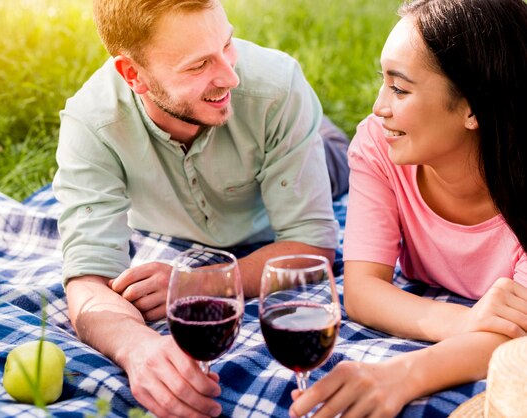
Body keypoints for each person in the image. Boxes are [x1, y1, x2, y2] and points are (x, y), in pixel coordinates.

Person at [52, 0, 349, 416]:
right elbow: (87, 282)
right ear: (133, 75)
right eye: (198, 66)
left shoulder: (276, 86)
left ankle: (319, 131)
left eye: (227, 44)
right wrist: (136, 348)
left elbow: (312, 245)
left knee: (339, 162)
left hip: (291, 142)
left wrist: (195, 283)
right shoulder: (92, 123)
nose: (230, 74)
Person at [290, 0, 527, 417]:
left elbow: (515, 338)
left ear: (472, 107)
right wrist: (462, 322)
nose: (379, 106)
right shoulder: (379, 145)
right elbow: (362, 291)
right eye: (382, 82)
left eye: (399, 88)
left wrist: (403, 375)